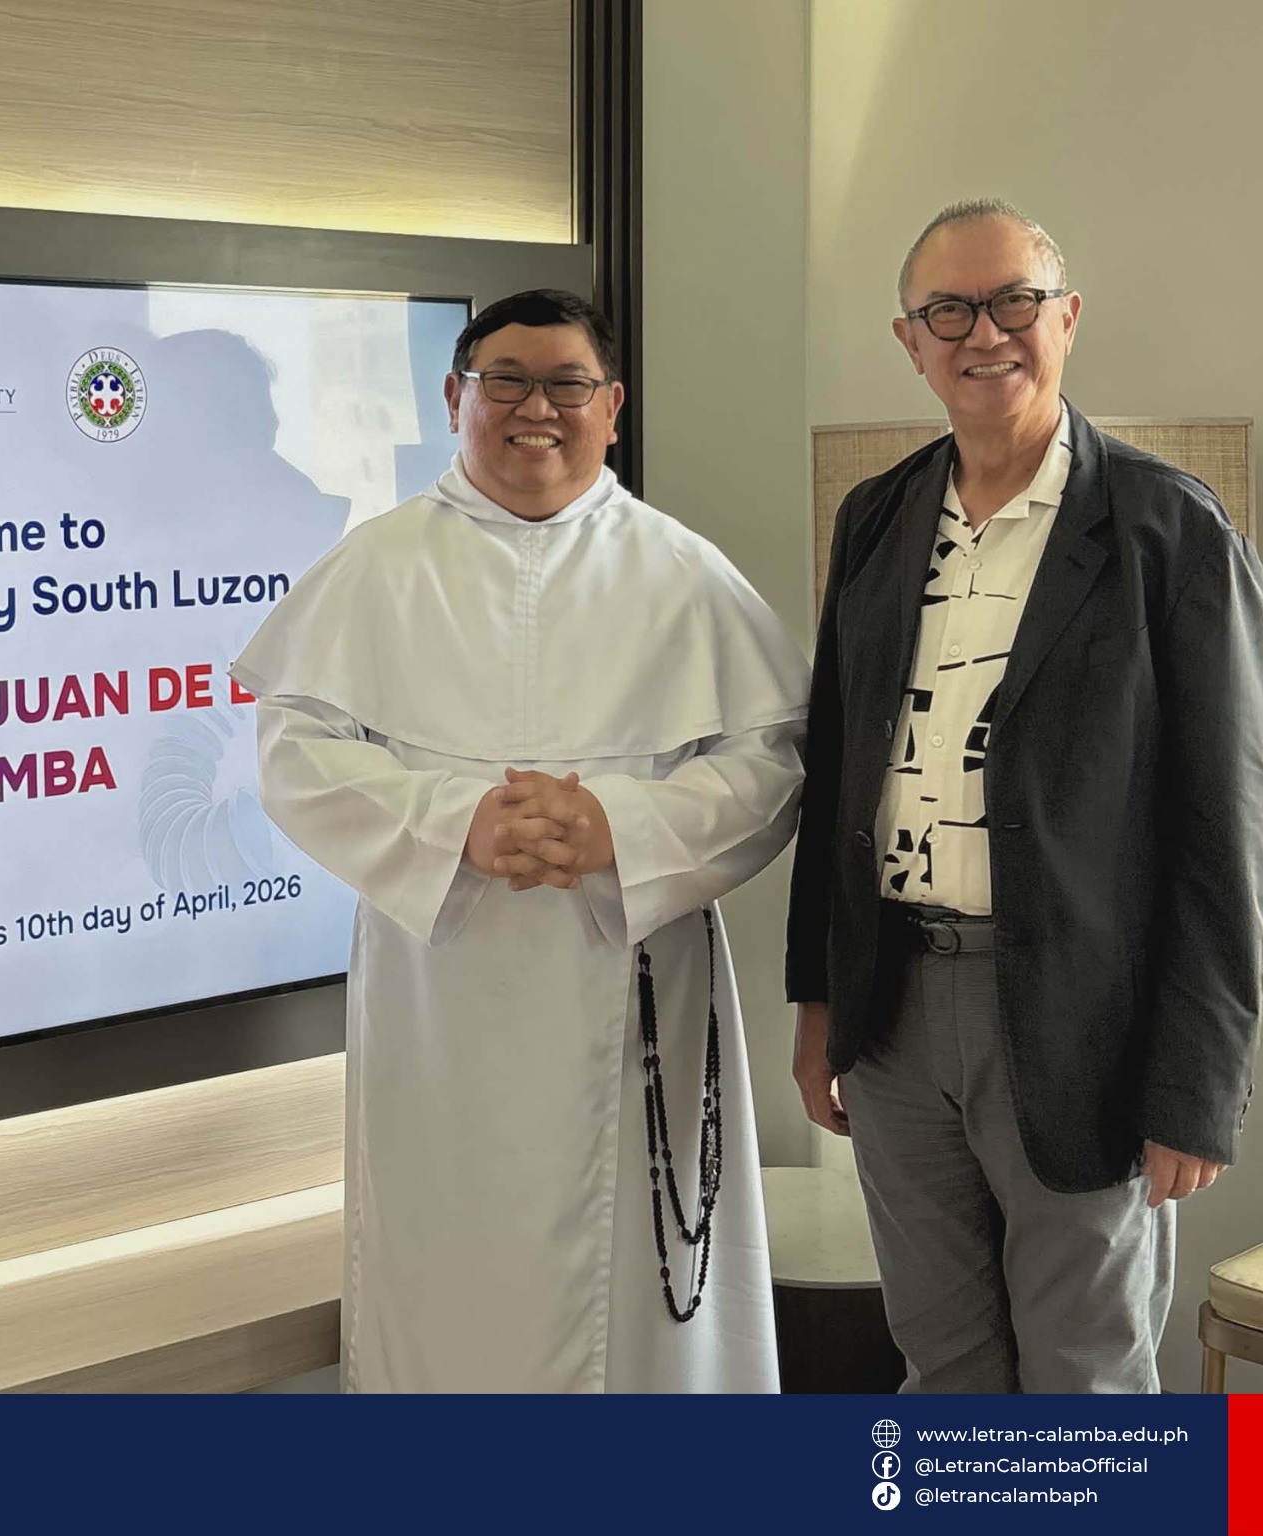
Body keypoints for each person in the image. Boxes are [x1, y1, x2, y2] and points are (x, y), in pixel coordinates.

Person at [232, 289, 809, 1391]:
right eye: (505, 381)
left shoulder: (682, 569)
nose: (534, 408)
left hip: (635, 981)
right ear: (455, 397)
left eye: (565, 385)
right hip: (440, 998)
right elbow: (294, 755)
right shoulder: (379, 563)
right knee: (448, 1286)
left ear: (611, 408)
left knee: (642, 1315)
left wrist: (618, 828)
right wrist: (459, 824)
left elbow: (771, 763)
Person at [787, 199, 1263, 1393]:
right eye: (947, 310)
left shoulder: (1166, 525)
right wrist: (816, 1005)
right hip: (893, 1010)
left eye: (1012, 302)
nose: (982, 333)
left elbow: (1225, 821)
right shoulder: (875, 516)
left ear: (1066, 318)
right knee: (938, 1361)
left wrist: (1196, 1086)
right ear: (908, 340)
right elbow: (836, 770)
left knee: (1082, 1372)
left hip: (1080, 1021)